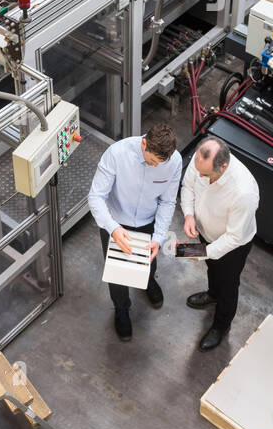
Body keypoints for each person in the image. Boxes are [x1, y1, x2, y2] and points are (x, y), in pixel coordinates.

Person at [88, 122, 181, 341]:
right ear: (144, 143)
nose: (156, 167)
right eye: (152, 161)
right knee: (118, 273)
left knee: (149, 259)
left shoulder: (173, 162)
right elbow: (95, 197)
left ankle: (149, 281)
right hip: (116, 221)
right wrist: (113, 228)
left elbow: (168, 202)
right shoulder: (116, 154)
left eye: (161, 163)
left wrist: (158, 237)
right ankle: (121, 309)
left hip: (148, 220)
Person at [180, 136, 259, 351]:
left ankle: (221, 325)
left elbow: (234, 237)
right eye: (197, 169)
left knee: (228, 284)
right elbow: (187, 186)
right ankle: (212, 294)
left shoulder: (243, 192)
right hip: (206, 233)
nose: (199, 175)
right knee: (212, 268)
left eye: (204, 174)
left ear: (223, 166)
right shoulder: (200, 164)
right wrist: (188, 215)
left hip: (232, 247)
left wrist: (200, 251)